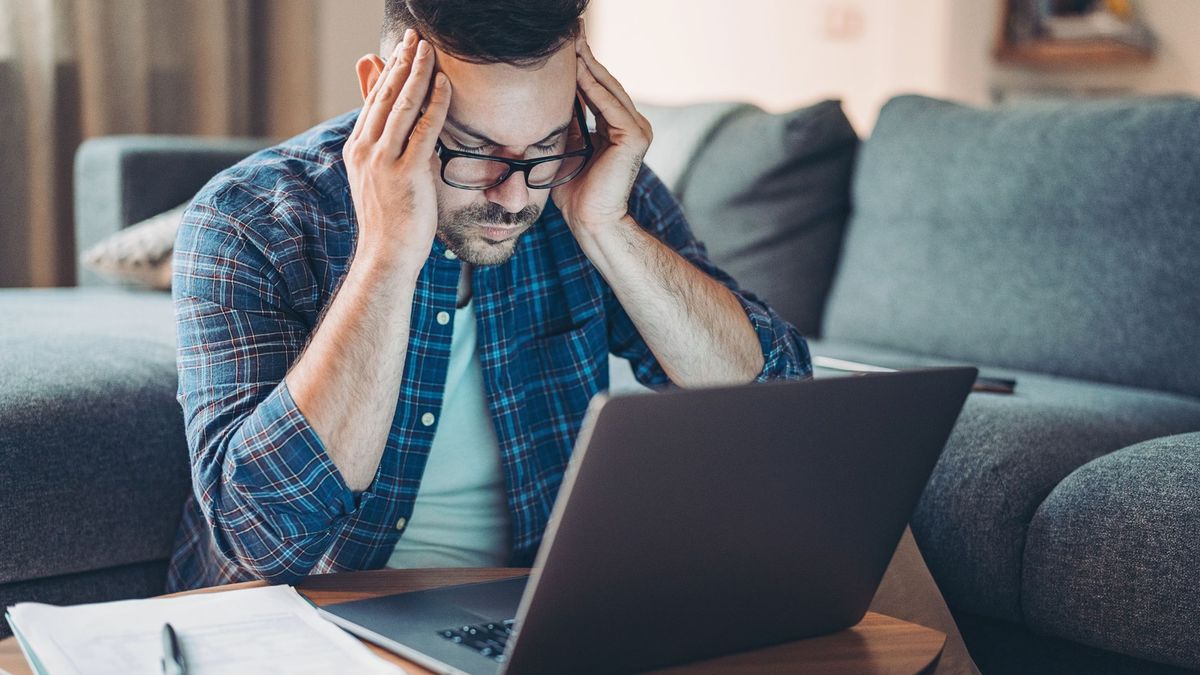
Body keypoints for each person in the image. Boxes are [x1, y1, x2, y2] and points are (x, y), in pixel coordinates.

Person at [166, 1, 976, 672]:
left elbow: (781, 411)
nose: (513, 195)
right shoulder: (249, 219)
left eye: (544, 147)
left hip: (537, 627)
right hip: (315, 632)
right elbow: (263, 538)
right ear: (386, 95)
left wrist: (608, 225)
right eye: (472, 152)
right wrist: (386, 255)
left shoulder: (584, 188)